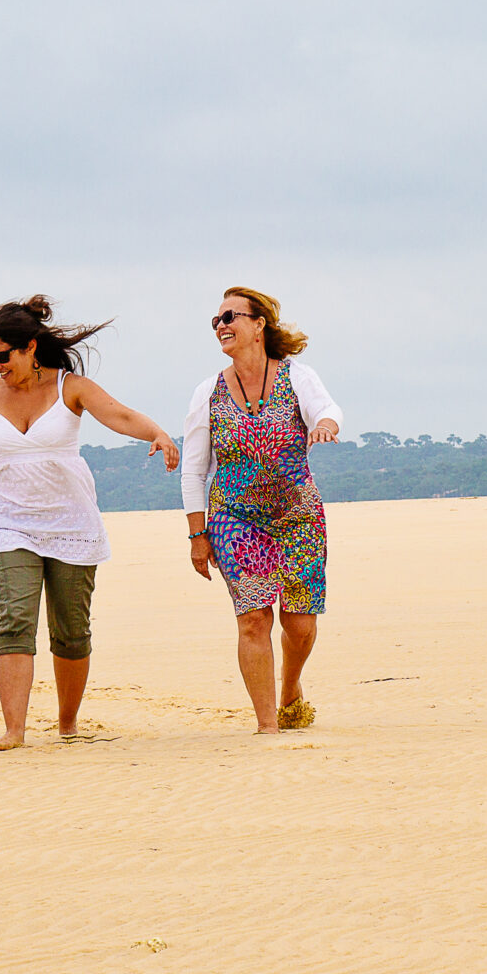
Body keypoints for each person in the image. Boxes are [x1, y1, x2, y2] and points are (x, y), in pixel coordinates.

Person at [0, 296, 179, 750]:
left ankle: (68, 724)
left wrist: (157, 433)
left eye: (2, 355)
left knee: (71, 631)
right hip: (11, 524)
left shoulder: (71, 387)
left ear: (30, 348)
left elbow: (119, 414)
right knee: (15, 621)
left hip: (72, 524)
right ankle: (14, 730)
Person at [181, 287, 343, 734]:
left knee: (300, 623)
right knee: (253, 618)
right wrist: (197, 535)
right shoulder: (208, 392)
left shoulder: (297, 377)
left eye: (230, 316)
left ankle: (290, 686)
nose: (221, 325)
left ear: (259, 325)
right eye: (216, 320)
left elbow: (326, 408)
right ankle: (266, 725)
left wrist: (326, 424)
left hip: (297, 514)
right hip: (235, 518)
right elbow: (193, 471)